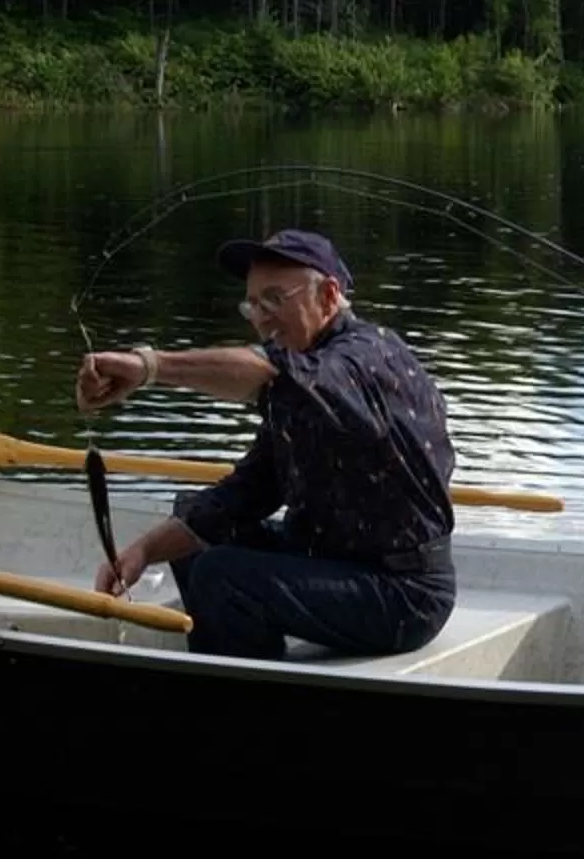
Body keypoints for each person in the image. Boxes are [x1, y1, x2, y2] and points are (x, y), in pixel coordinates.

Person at [73, 227, 458, 662]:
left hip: (404, 594)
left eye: (275, 299)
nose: (260, 318)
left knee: (223, 575)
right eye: (252, 304)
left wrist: (149, 366)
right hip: (333, 560)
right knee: (199, 531)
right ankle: (232, 662)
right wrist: (142, 552)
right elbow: (244, 495)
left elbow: (268, 373)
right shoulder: (302, 389)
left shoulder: (365, 361)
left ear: (329, 296)